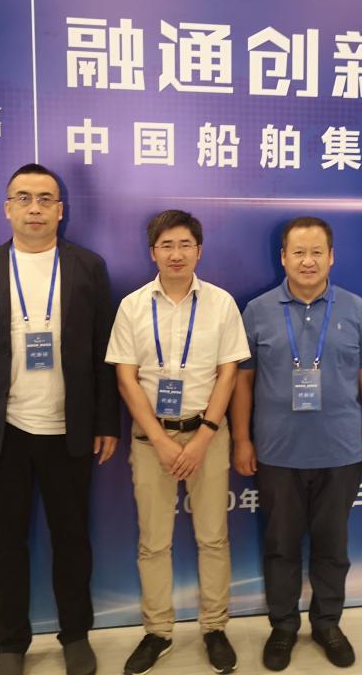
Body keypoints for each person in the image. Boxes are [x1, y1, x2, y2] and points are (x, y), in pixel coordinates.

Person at [0, 163, 119, 675]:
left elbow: (104, 353)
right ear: (8, 209)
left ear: (61, 210)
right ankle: (12, 644)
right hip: (1, 433)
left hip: (69, 430)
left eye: (45, 198)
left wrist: (106, 422)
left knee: (72, 540)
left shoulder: (88, 267)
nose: (34, 208)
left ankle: (75, 635)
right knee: (5, 546)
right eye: (23, 198)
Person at [230, 216, 362, 671]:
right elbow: (242, 383)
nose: (307, 261)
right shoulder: (257, 310)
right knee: (280, 546)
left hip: (341, 453)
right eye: (298, 252)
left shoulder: (356, 309)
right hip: (277, 454)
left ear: (331, 257)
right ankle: (282, 627)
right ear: (282, 257)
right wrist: (241, 439)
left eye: (317, 252)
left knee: (332, 548)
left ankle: (327, 624)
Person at [106, 210, 249, 675]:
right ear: (153, 252)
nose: (176, 254)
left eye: (185, 244)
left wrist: (205, 434)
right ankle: (158, 631)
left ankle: (215, 627)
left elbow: (228, 373)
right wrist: (159, 439)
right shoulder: (132, 306)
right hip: (152, 439)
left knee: (213, 537)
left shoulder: (221, 304)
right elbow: (126, 379)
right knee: (153, 542)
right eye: (166, 245)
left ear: (199, 250)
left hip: (208, 435)